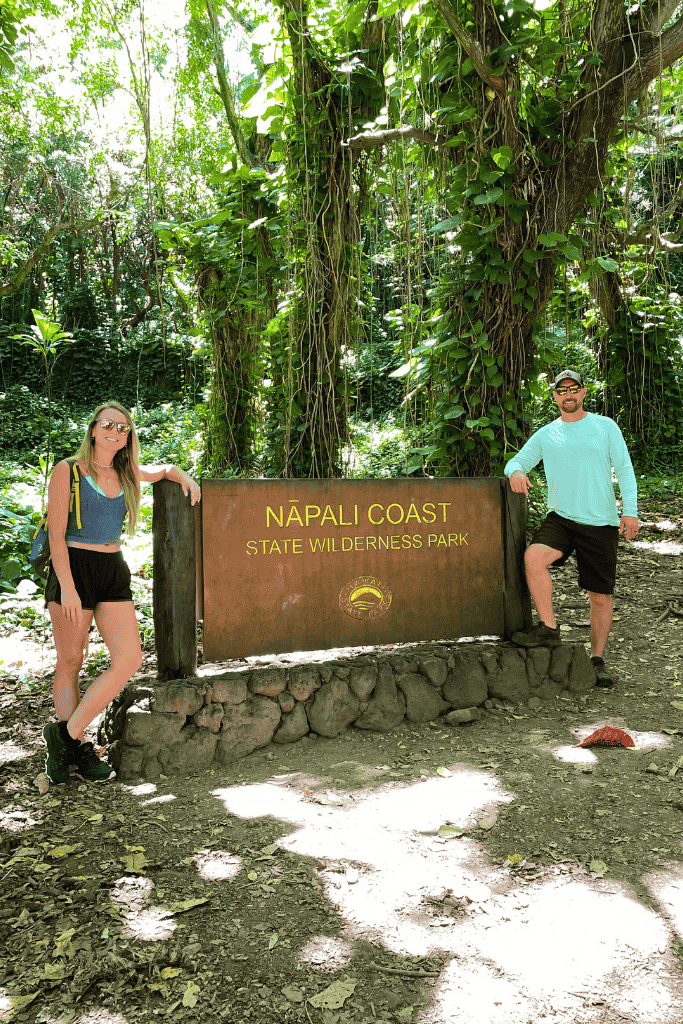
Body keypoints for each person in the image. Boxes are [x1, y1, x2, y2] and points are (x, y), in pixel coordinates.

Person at [42, 401, 201, 783]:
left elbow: (161, 469)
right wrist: (66, 586)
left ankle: (64, 736)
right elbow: (56, 535)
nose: (116, 431)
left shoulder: (127, 470)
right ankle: (75, 751)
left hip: (113, 569)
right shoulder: (68, 470)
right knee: (70, 661)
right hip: (74, 567)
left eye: (124, 427)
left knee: (129, 657)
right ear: (94, 429)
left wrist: (184, 478)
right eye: (109, 424)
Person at [505, 370, 639, 688]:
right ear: (555, 396)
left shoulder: (604, 427)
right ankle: (549, 630)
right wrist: (515, 472)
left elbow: (625, 468)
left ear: (582, 393)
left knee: (600, 597)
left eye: (574, 389)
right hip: (561, 519)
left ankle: (597, 659)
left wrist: (630, 512)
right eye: (562, 391)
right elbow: (517, 460)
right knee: (533, 558)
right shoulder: (547, 434)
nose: (568, 395)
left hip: (601, 522)